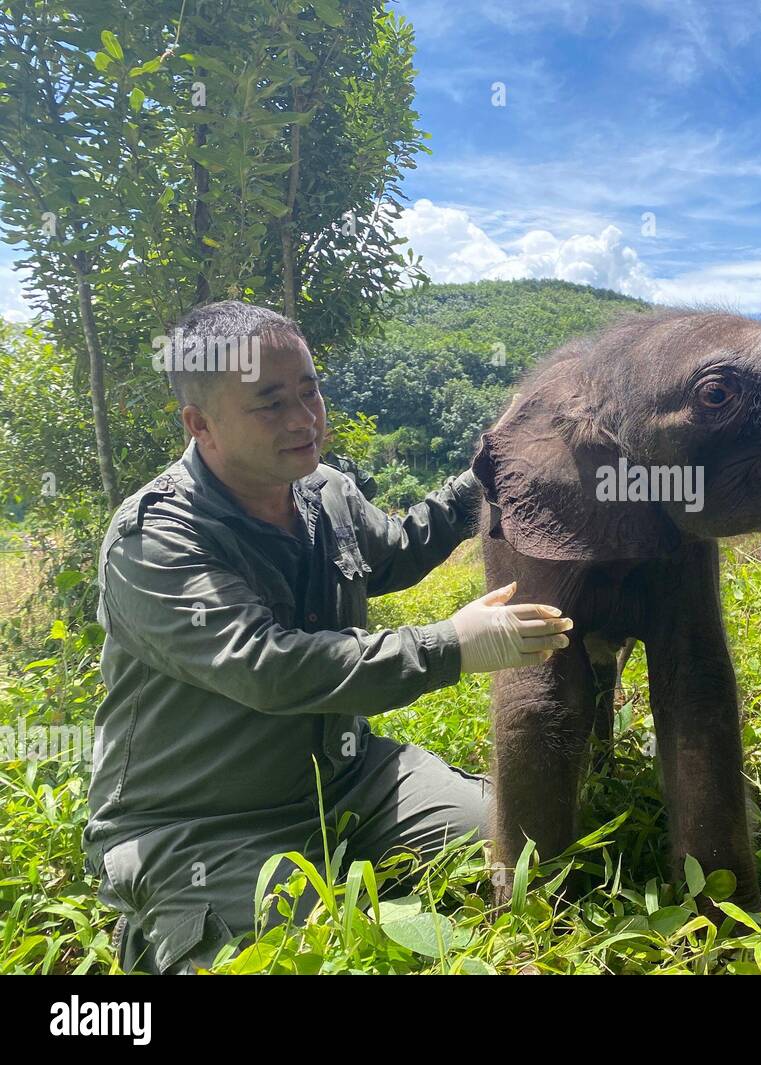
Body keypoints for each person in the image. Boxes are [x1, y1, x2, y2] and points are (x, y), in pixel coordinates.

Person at [84, 301, 572, 973]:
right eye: (271, 402)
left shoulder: (325, 491)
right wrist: (454, 643)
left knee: (515, 843)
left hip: (347, 777)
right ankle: (162, 928)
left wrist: (490, 467)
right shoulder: (157, 539)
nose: (304, 417)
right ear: (201, 424)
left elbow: (399, 547)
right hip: (197, 822)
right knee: (291, 949)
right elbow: (268, 667)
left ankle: (353, 867)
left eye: (310, 388)